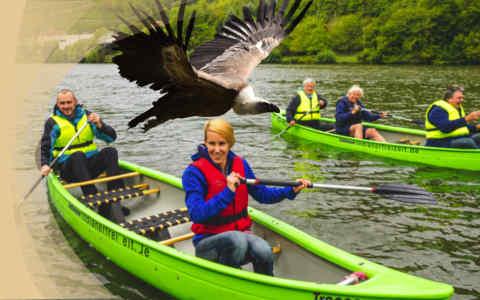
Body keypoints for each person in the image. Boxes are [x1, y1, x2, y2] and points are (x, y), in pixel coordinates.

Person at [182, 118, 310, 276]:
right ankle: (230, 283)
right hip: (208, 243)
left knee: (264, 250)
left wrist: (290, 190)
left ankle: (264, 288)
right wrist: (228, 192)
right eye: (211, 143)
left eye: (221, 143)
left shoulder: (241, 164)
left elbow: (263, 195)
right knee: (237, 240)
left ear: (230, 144)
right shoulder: (193, 173)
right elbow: (196, 214)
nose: (216, 149)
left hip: (240, 236)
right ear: (205, 143)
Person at [40, 89, 127, 222]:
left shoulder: (88, 117)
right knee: (77, 155)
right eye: (62, 103)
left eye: (69, 102)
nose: (66, 106)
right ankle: (93, 199)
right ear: (57, 104)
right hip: (69, 170)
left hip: (89, 167)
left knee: (111, 151)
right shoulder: (52, 122)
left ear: (75, 102)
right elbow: (46, 147)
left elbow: (111, 138)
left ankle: (114, 198)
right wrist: (45, 164)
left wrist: (99, 124)